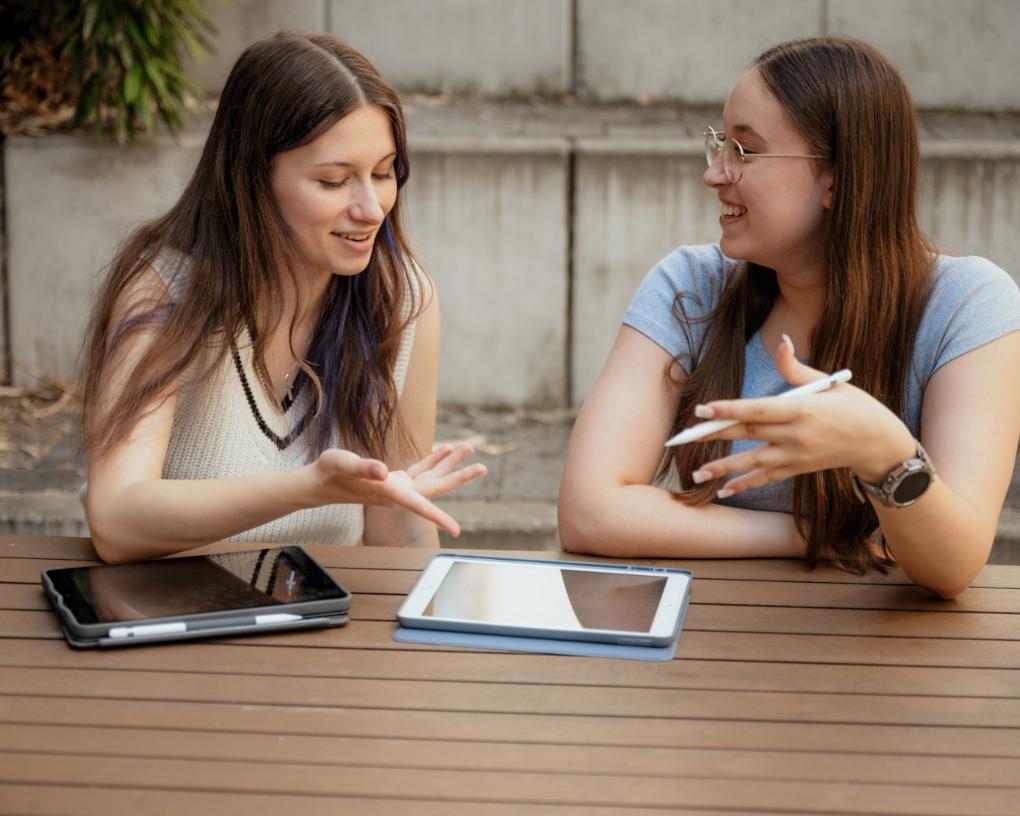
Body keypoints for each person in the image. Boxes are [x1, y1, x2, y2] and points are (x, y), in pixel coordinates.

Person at [558, 37, 1020, 598]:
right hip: (711, 640)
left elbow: (954, 563)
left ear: (837, 177)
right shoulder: (691, 287)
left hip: (888, 661)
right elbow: (588, 511)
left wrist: (884, 453)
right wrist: (811, 534)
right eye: (719, 145)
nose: (715, 174)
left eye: (745, 152)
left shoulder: (966, 304)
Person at [79, 32, 486, 563]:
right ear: (253, 179)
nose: (371, 207)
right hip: (169, 625)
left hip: (322, 630)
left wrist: (426, 629)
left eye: (383, 174)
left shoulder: (402, 298)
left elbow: (399, 529)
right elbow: (117, 519)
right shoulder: (165, 290)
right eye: (335, 181)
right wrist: (309, 487)